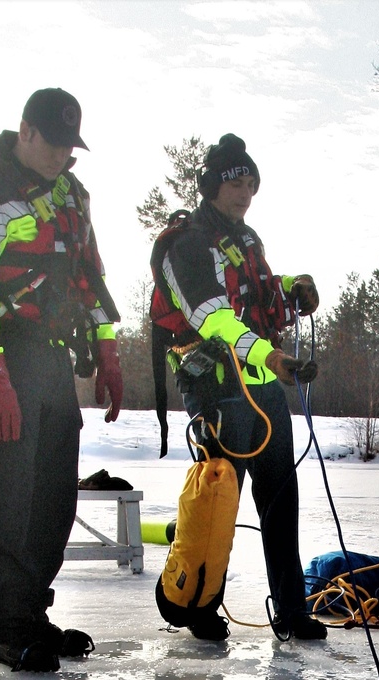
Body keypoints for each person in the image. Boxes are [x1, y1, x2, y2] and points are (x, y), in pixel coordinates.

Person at [0, 87, 123, 671]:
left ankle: (33, 614)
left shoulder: (74, 193)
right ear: (26, 131)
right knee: (11, 494)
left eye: (72, 147)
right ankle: (7, 626)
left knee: (52, 496)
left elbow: (90, 275)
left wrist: (109, 351)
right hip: (4, 356)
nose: (63, 157)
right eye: (55, 144)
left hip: (52, 360)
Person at [152, 132, 325, 642]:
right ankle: (199, 604)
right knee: (218, 500)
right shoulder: (187, 243)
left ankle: (291, 610)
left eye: (251, 182)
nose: (244, 192)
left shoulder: (247, 240)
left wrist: (296, 291)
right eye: (235, 182)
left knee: (280, 500)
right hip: (217, 390)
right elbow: (213, 319)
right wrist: (269, 354)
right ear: (211, 185)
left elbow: (263, 300)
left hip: (263, 388)